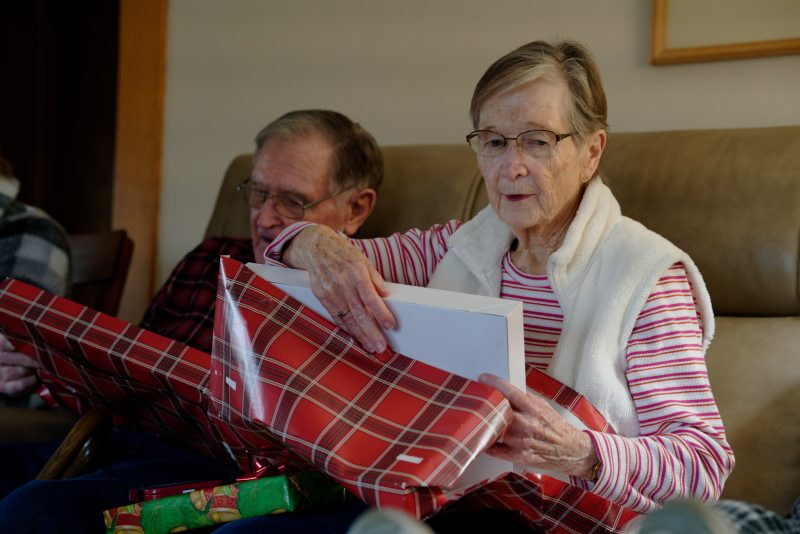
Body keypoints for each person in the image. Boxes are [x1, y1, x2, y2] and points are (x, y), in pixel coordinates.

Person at [260, 41, 735, 532]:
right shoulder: (451, 249)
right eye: (493, 142)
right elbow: (312, 259)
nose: (511, 167)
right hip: (451, 505)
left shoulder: (646, 277)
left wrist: (579, 451)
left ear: (591, 152)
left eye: (537, 141)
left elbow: (703, 468)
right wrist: (313, 242)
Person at [0, 109, 383, 531]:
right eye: (257, 193)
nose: (264, 218)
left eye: (292, 201)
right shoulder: (208, 258)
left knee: (31, 510)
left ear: (356, 208)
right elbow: (128, 383)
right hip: (127, 445)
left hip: (224, 478)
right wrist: (45, 370)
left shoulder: (368, 301)